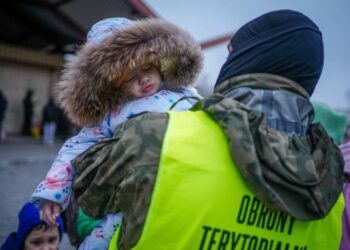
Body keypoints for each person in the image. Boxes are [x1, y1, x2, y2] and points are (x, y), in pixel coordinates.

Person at [71, 10, 346, 249]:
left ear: (248, 56)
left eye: (232, 52)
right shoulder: (334, 190)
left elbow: (83, 191)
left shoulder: (157, 136)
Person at [31, 17, 203, 249]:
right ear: (112, 83)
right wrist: (53, 193)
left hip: (185, 184)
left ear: (159, 64)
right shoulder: (112, 114)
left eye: (147, 68)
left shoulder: (185, 95)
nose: (142, 79)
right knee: (102, 239)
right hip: (132, 197)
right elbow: (74, 149)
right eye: (129, 76)